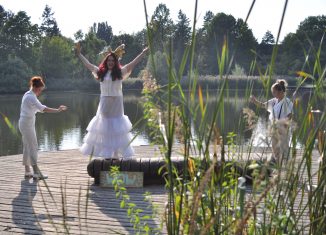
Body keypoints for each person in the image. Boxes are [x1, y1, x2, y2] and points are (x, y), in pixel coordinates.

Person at [75, 43, 148, 159]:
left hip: (117, 102)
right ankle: (107, 154)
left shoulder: (120, 72)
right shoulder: (100, 72)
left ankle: (115, 155)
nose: (110, 62)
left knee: (117, 127)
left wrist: (143, 53)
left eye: (112, 60)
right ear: (106, 61)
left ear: (115, 62)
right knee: (105, 127)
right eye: (108, 60)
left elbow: (133, 63)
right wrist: (79, 54)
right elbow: (88, 65)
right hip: (105, 102)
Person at [19, 76, 67, 179]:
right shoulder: (31, 97)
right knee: (33, 147)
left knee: (27, 146)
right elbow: (43, 108)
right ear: (35, 87)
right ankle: (36, 173)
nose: (40, 92)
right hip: (27, 125)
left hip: (25, 123)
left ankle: (28, 172)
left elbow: (38, 109)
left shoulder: (28, 95)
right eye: (40, 90)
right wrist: (57, 110)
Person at [250, 79, 293, 163]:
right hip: (274, 127)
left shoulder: (287, 102)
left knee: (284, 148)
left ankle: (286, 164)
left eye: (274, 92)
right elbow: (263, 105)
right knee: (274, 147)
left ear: (280, 91)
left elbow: (290, 115)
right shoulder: (274, 101)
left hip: (283, 128)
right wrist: (255, 101)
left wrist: (283, 125)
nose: (273, 94)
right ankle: (277, 164)